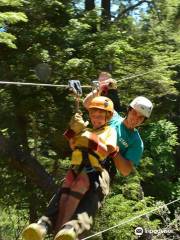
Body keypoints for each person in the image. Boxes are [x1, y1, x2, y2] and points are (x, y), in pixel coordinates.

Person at [22, 73, 153, 240]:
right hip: (86, 158)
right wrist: (100, 88)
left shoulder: (136, 142)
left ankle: (73, 228)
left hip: (105, 169)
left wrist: (114, 152)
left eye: (141, 118)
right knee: (66, 189)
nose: (136, 119)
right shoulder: (112, 117)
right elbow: (88, 104)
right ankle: (43, 224)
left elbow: (126, 170)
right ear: (129, 110)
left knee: (94, 194)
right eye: (135, 113)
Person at [22, 96, 118, 240]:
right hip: (77, 167)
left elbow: (106, 151)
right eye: (93, 115)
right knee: (64, 195)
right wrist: (74, 129)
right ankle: (44, 224)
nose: (96, 119)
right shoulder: (87, 129)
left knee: (78, 194)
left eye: (100, 116)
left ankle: (69, 228)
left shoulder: (109, 131)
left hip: (93, 169)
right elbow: (72, 144)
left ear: (107, 116)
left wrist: (88, 137)